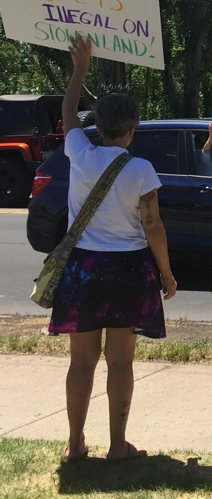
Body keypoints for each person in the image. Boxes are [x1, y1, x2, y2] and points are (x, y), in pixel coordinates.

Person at [50, 35, 177, 461]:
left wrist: (80, 67)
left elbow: (68, 112)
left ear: (98, 127)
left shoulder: (80, 153)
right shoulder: (141, 169)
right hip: (127, 271)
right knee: (120, 361)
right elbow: (153, 225)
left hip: (82, 269)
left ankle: (75, 443)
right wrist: (166, 272)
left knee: (81, 361)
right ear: (134, 128)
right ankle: (119, 445)